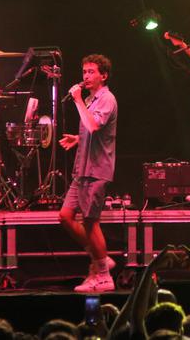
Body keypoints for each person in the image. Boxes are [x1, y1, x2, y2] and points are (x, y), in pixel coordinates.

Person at [58, 54, 118, 292]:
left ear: (103, 75)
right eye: (84, 72)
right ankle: (100, 258)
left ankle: (103, 275)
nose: (86, 76)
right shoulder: (92, 99)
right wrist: (77, 137)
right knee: (65, 215)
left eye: (91, 72)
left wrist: (77, 100)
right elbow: (89, 129)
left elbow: (93, 125)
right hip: (82, 169)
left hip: (97, 169)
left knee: (91, 222)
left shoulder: (106, 98)